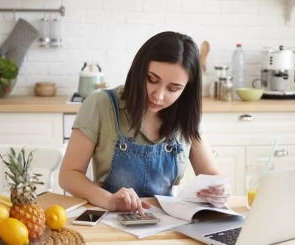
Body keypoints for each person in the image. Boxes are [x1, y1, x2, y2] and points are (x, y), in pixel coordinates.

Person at [59, 31, 231, 215]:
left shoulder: (186, 117)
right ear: (138, 70)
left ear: (186, 89)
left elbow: (211, 174)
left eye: (174, 88)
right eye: (152, 80)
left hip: (165, 222)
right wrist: (107, 200)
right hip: (110, 219)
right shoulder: (101, 105)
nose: (159, 95)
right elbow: (69, 175)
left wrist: (220, 188)